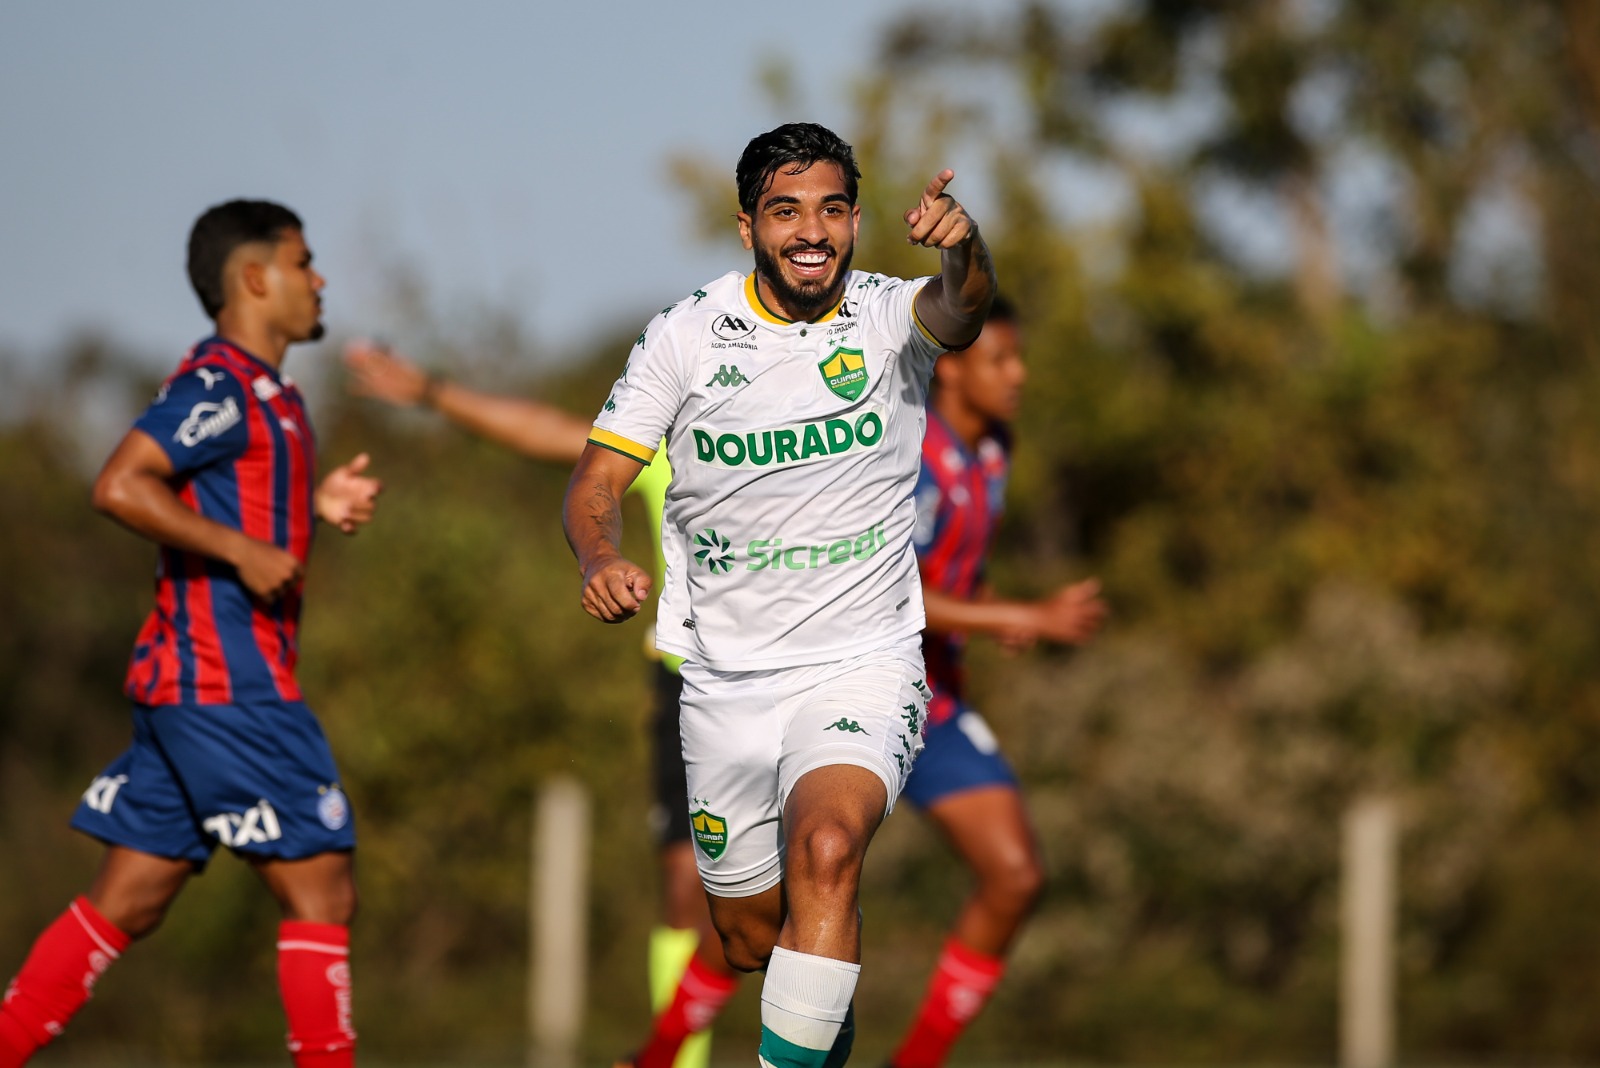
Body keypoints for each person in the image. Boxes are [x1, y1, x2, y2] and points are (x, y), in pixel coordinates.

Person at [563, 122, 996, 1068]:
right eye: (786, 210)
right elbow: (594, 483)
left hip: (864, 663)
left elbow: (960, 310)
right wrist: (599, 558)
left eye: (833, 210)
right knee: (754, 939)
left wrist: (965, 247)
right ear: (748, 225)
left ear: (854, 220)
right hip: (723, 681)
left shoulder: (889, 315)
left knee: (831, 852)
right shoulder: (683, 337)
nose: (812, 231)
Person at [0, 200, 382, 1068]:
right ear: (255, 278)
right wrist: (242, 547)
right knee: (323, 891)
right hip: (230, 688)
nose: (320, 280)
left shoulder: (274, 396)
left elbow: (240, 511)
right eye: (304, 261)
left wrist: (313, 509)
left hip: (189, 691)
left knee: (127, 901)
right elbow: (120, 484)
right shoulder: (218, 385)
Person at [340, 342, 741, 1068]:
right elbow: (549, 432)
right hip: (688, 689)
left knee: (786, 894)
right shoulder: (667, 444)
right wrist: (433, 390)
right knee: (688, 890)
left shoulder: (803, 439)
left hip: (787, 680)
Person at [885, 297, 1106, 1068]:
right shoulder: (909, 453)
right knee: (759, 908)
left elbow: (951, 583)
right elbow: (891, 591)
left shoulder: (994, 450)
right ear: (949, 367)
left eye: (1017, 357)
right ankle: (658, 1053)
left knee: (1015, 876)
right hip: (859, 697)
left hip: (936, 705)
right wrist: (1023, 613)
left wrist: (987, 613)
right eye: (999, 360)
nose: (1020, 374)